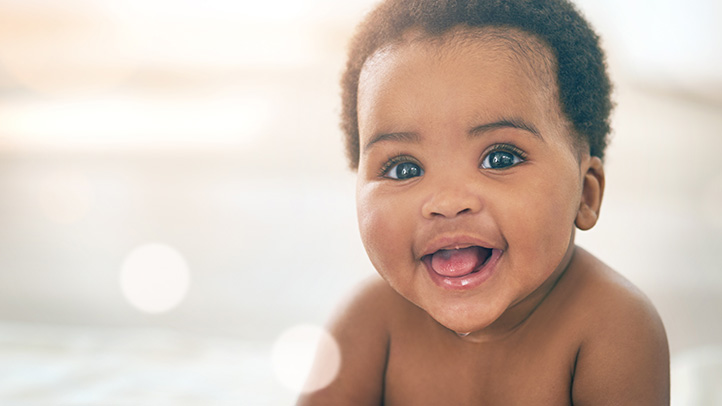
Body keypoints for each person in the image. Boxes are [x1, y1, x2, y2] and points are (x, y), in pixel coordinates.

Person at [298, 0, 670, 404]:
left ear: (586, 193)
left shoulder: (612, 327)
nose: (447, 201)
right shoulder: (368, 321)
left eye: (499, 158)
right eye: (404, 169)